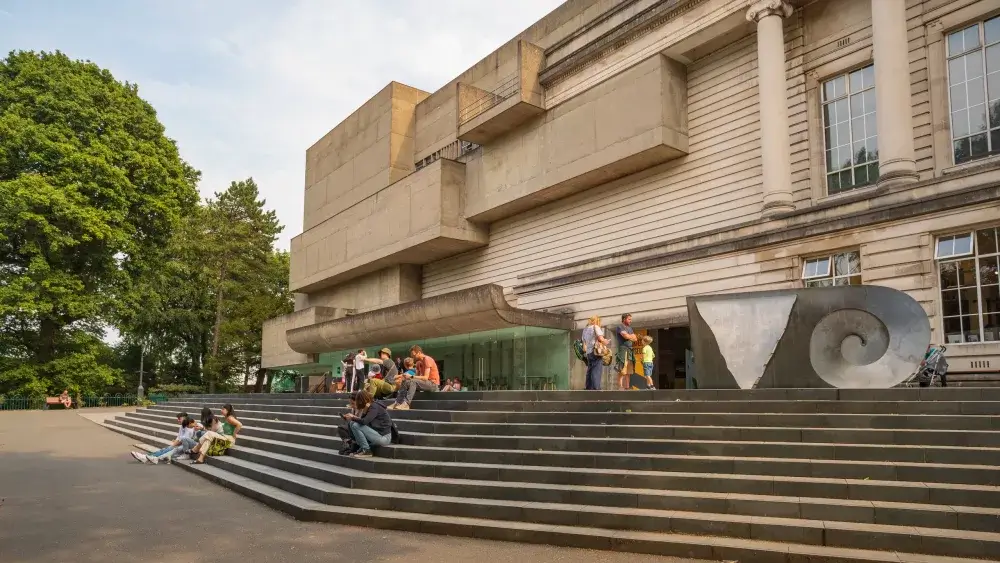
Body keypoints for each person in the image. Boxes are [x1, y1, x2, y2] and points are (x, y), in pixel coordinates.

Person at [344, 390, 393, 457]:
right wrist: (364, 412)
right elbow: (363, 421)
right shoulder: (369, 407)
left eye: (358, 401)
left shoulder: (374, 407)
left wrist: (353, 417)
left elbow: (365, 422)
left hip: (384, 438)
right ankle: (362, 448)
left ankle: (366, 450)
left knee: (355, 425)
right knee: (352, 423)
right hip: (376, 435)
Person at [389, 345, 439, 410]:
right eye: (412, 355)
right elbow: (416, 377)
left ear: (419, 352)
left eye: (414, 355)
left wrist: (411, 376)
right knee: (405, 381)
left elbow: (425, 378)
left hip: (433, 384)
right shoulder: (418, 363)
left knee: (413, 381)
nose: (413, 357)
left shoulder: (427, 359)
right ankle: (397, 402)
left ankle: (406, 404)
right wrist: (407, 377)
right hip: (425, 384)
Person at [582, 316, 610, 390]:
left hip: (588, 353)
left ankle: (588, 387)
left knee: (590, 370)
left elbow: (584, 342)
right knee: (597, 370)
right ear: (597, 321)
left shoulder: (585, 329)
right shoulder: (596, 327)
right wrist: (606, 341)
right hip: (596, 352)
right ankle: (596, 388)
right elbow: (601, 338)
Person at [615, 313, 638, 390]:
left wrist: (629, 336)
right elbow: (625, 336)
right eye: (629, 319)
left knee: (629, 370)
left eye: (631, 319)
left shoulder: (630, 328)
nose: (630, 321)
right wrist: (630, 336)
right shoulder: (620, 327)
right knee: (622, 369)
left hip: (630, 350)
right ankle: (620, 387)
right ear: (624, 319)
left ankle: (627, 387)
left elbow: (635, 339)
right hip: (623, 349)